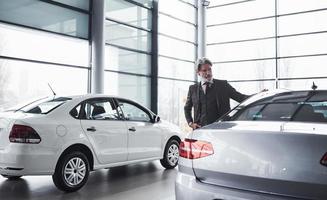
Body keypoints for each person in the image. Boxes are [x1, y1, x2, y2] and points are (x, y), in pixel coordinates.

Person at [184, 57, 249, 130]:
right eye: (204, 70)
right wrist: (191, 123)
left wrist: (259, 95)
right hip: (200, 131)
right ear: (198, 73)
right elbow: (187, 108)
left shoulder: (223, 85)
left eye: (209, 69)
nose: (208, 73)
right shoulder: (193, 89)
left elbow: (240, 97)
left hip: (221, 130)